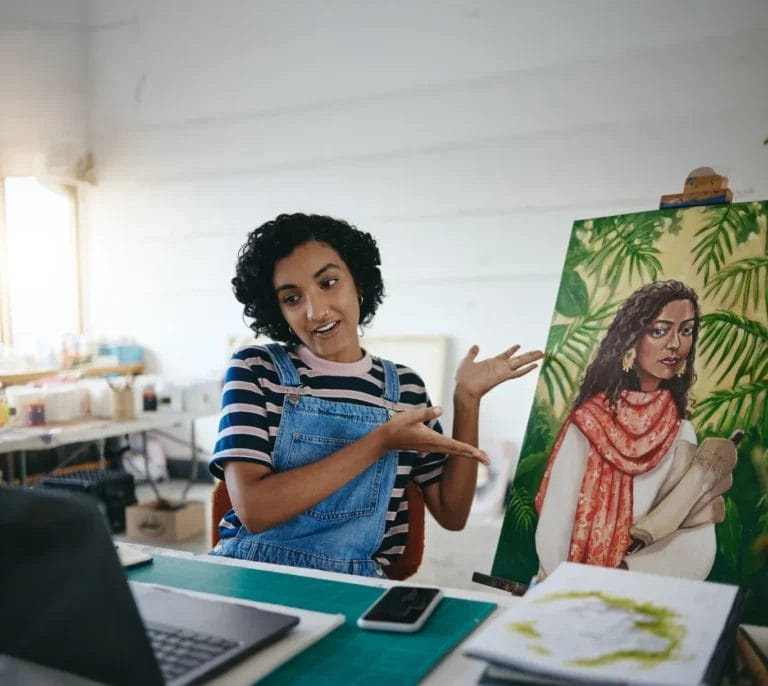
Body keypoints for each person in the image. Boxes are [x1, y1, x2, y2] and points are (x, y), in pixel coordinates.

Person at [209, 213, 543, 577]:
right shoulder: (256, 369)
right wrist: (379, 441)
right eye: (292, 298)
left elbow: (452, 514)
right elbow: (255, 511)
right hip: (253, 570)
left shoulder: (406, 387)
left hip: (359, 584)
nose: (315, 310)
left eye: (329, 282)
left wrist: (467, 399)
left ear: (360, 283)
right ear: (279, 310)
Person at [534, 280, 732, 580]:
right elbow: (554, 529)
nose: (676, 344)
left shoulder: (681, 430)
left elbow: (697, 540)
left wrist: (626, 572)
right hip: (570, 588)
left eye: (686, 331)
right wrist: (578, 582)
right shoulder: (588, 424)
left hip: (645, 594)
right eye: (660, 331)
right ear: (631, 338)